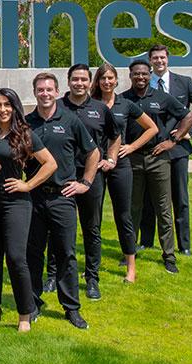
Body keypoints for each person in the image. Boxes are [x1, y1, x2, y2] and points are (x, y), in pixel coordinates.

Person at [0, 88, 57, 331]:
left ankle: (25, 313)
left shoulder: (24, 134)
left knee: (15, 257)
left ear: (14, 107)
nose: (2, 109)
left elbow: (50, 163)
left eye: (7, 104)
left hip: (16, 203)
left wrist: (28, 184)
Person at [25, 72, 99, 330]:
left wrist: (85, 183)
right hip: (33, 197)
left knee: (67, 253)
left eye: (49, 89)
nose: (45, 94)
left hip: (62, 197)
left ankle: (71, 308)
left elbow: (93, 152)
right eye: (40, 90)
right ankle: (32, 304)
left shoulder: (70, 120)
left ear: (57, 91)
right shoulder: (26, 123)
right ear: (34, 92)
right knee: (32, 253)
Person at [121, 59, 192, 275]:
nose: (141, 77)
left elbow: (188, 116)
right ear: (130, 75)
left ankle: (169, 256)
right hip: (132, 159)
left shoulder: (162, 97)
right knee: (132, 208)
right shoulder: (124, 99)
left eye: (144, 74)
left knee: (163, 208)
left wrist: (174, 140)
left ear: (150, 74)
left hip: (158, 159)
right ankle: (129, 254)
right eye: (136, 74)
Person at [54, 64, 120, 300]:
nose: (79, 83)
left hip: (92, 178)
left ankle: (92, 278)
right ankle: (53, 274)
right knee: (58, 229)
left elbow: (115, 135)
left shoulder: (100, 108)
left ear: (90, 82)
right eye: (75, 79)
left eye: (83, 79)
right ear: (68, 81)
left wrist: (111, 158)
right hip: (62, 178)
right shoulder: (58, 106)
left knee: (91, 229)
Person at [90, 63, 158, 283]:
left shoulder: (126, 104)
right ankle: (93, 267)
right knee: (93, 218)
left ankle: (131, 267)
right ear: (97, 81)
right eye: (103, 78)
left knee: (124, 216)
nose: (107, 82)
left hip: (120, 165)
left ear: (117, 80)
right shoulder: (90, 105)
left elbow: (152, 128)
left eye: (110, 78)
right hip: (95, 166)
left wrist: (131, 147)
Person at [147, 44, 192, 256]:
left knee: (180, 199)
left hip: (178, 151)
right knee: (148, 200)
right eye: (155, 58)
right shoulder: (143, 83)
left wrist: (190, 133)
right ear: (150, 61)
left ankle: (184, 246)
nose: (159, 61)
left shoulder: (184, 83)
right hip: (151, 150)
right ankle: (146, 242)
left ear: (168, 59)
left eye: (162, 58)